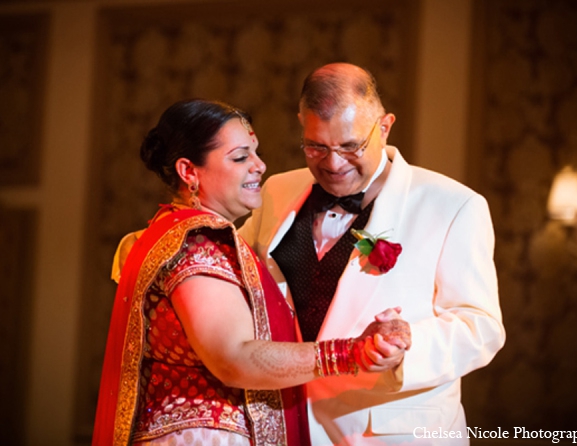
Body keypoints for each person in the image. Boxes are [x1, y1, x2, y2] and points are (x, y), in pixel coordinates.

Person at [92, 98, 411, 446]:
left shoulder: (183, 234)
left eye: (255, 153)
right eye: (241, 157)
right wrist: (352, 353)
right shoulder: (198, 242)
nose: (260, 166)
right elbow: (235, 357)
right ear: (188, 171)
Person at [239, 63, 506, 445]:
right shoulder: (277, 190)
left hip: (389, 434)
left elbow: (481, 327)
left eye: (351, 146)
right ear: (302, 124)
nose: (333, 164)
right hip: (287, 425)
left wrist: (406, 348)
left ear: (384, 127)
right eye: (316, 146)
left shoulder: (455, 205)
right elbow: (231, 268)